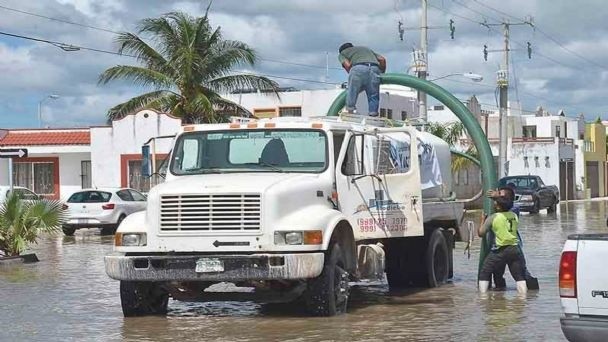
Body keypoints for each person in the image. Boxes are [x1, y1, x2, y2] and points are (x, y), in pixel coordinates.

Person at [478, 195, 527, 294]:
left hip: (500, 249)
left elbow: (481, 233)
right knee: (518, 276)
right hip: (514, 248)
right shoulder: (514, 216)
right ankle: (522, 299)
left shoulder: (494, 217)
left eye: (495, 204)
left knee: (485, 272)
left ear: (499, 207)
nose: (493, 205)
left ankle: (483, 298)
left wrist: (482, 220)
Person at [338, 43, 386, 116]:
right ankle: (373, 114)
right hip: (374, 68)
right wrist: (382, 73)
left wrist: (352, 74)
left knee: (352, 90)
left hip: (358, 68)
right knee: (373, 94)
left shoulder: (342, 54)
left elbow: (347, 65)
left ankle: (350, 110)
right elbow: (382, 59)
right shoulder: (366, 49)